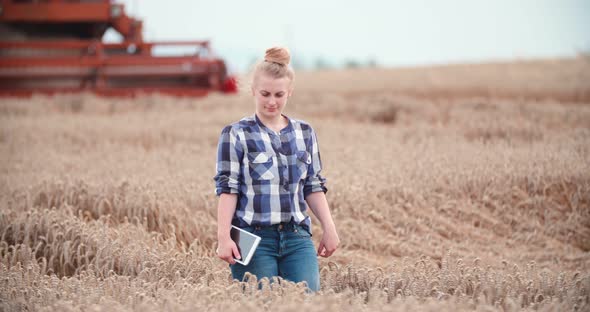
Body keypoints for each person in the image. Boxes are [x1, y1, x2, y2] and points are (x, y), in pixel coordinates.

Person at [213, 47, 340, 292]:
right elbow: (228, 189)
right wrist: (223, 237)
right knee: (262, 305)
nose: (272, 101)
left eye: (279, 94)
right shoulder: (236, 133)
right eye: (265, 93)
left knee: (305, 303)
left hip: (297, 237)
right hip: (250, 236)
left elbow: (313, 185)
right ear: (253, 91)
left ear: (289, 92)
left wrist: (329, 227)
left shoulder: (305, 132)